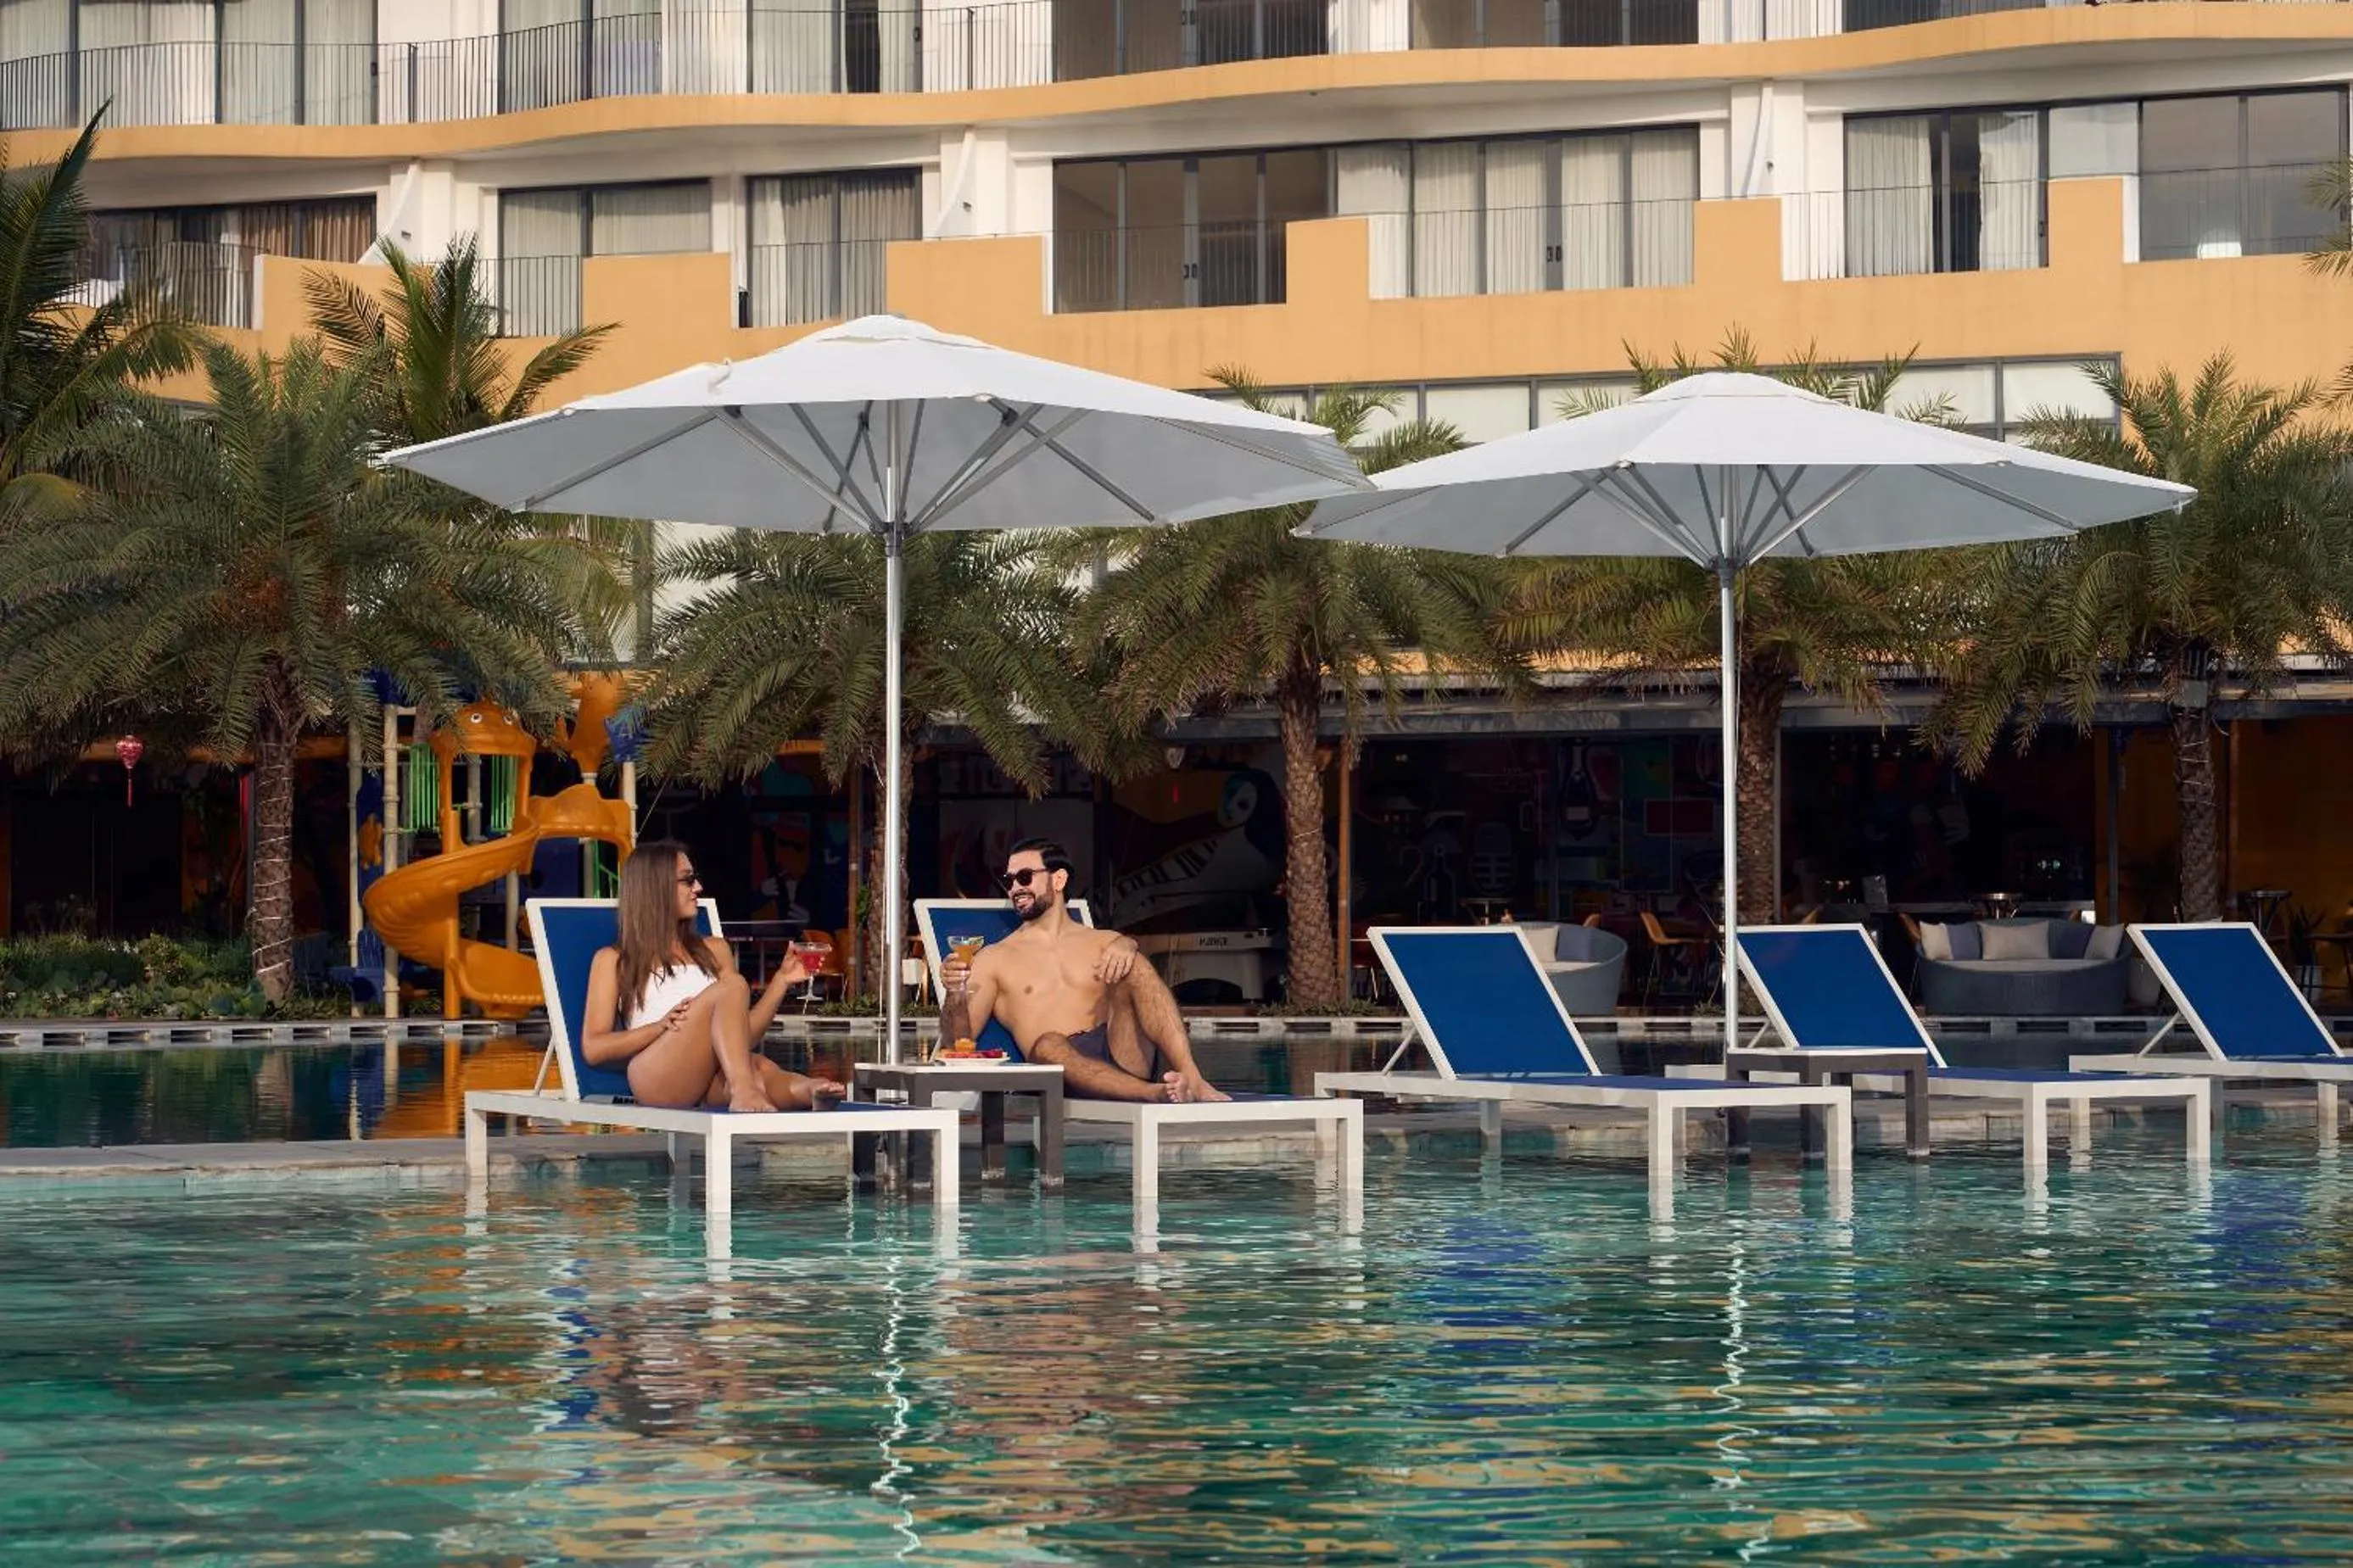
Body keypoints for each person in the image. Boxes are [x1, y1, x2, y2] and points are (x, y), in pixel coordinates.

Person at [940, 838, 1228, 1103]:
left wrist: (1128, 944)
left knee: (1136, 967)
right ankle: (1157, 1094)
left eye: (1024, 877)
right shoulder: (994, 958)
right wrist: (955, 990)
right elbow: (957, 1043)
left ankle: (1192, 1076)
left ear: (1059, 879)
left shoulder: (1106, 943)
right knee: (1048, 1044)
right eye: (1009, 880)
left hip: (1122, 1056)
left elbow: (1139, 992)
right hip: (1059, 1070)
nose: (1015, 888)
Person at [581, 840, 845, 1113]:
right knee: (733, 989)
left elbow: (745, 1037)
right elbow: (594, 1049)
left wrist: (781, 981)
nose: (698, 888)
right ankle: (744, 1091)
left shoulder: (715, 949)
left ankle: (807, 1091)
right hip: (655, 1073)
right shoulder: (613, 960)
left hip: (710, 1074)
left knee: (759, 1069)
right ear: (655, 888)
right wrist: (658, 1027)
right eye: (688, 880)